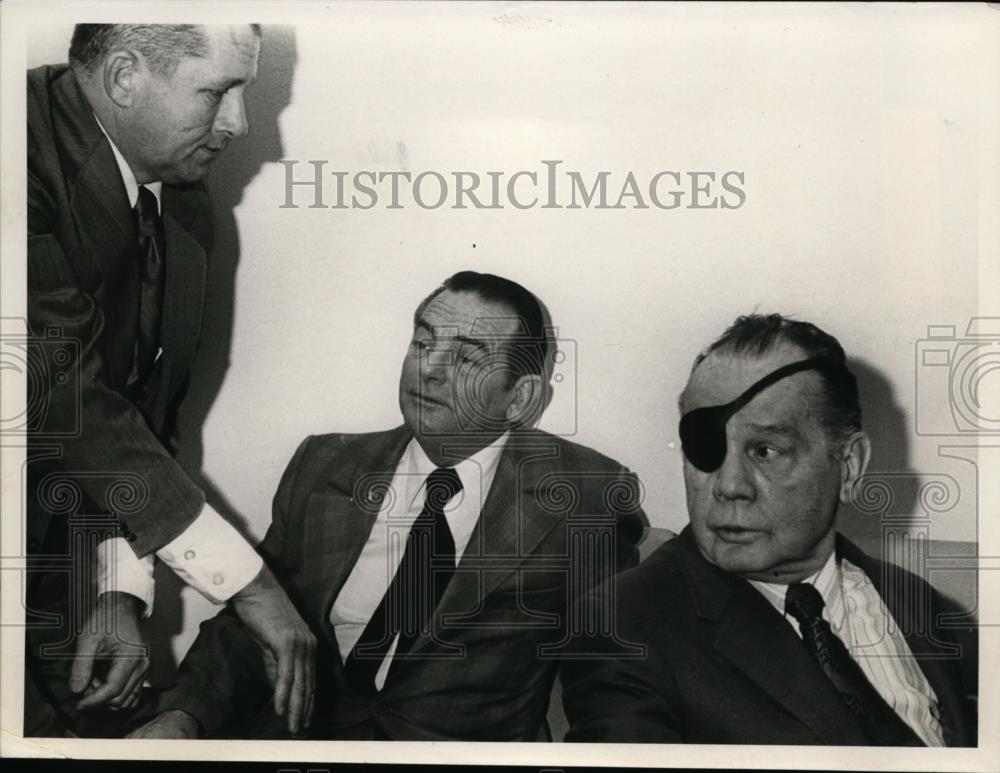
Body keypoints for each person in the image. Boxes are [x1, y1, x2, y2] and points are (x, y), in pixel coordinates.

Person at [127, 271, 647, 740]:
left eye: (466, 358)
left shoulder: (585, 495)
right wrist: (183, 716)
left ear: (519, 397)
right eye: (423, 342)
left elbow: (605, 673)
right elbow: (253, 623)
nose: (430, 370)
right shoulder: (324, 463)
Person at [25, 24, 315, 737]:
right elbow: (66, 393)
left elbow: (140, 416)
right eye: (218, 91)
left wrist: (120, 587)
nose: (242, 126)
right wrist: (253, 587)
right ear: (125, 77)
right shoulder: (11, 145)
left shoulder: (182, 200)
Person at [561, 314, 976, 746]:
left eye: (765, 450)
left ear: (849, 467)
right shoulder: (624, 624)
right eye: (706, 449)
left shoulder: (917, 603)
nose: (728, 486)